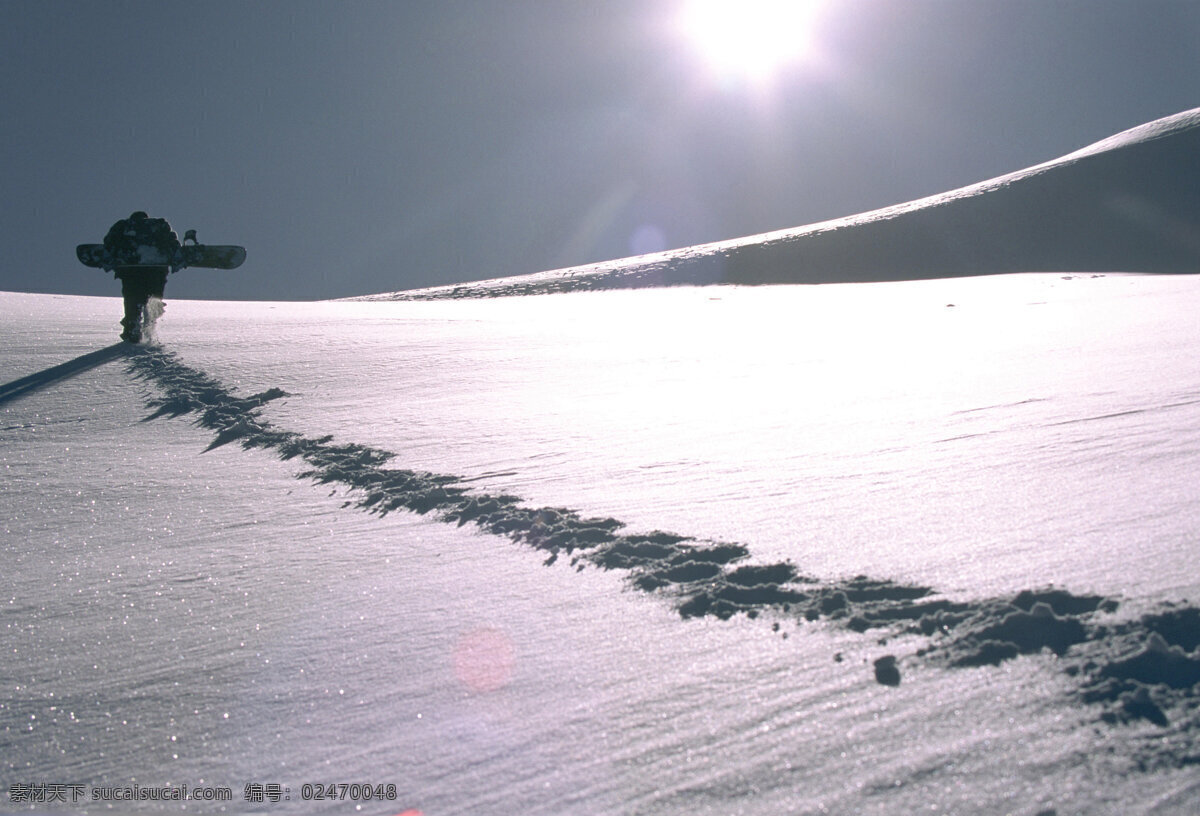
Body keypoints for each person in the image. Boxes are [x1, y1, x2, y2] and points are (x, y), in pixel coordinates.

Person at [103, 211, 181, 342]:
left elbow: (109, 242)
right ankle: (150, 326)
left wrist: (112, 261)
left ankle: (132, 329)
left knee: (132, 301)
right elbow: (172, 243)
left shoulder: (123, 226)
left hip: (132, 269)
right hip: (156, 269)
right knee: (154, 298)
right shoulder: (158, 225)